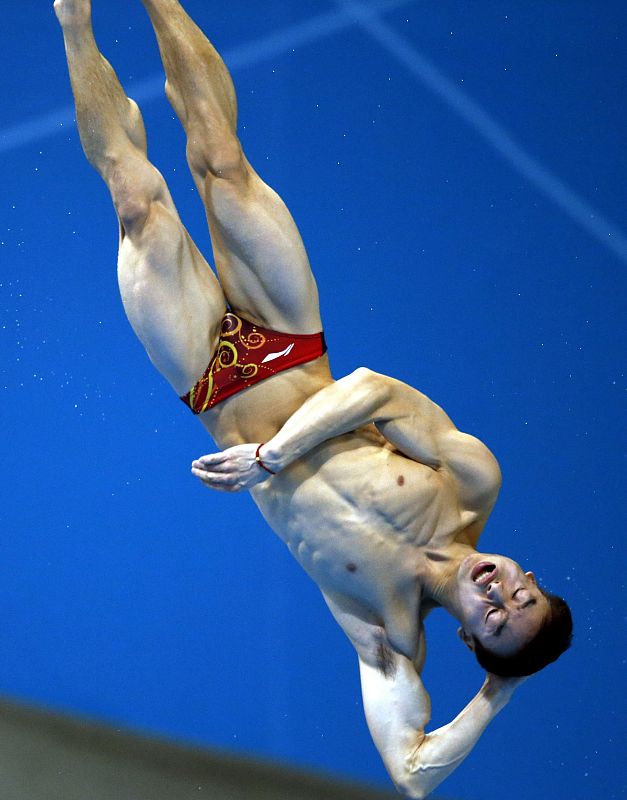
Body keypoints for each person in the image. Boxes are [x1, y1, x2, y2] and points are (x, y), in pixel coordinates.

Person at [55, 0, 573, 796]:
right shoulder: (470, 485)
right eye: (522, 589)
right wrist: (273, 456)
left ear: (473, 644)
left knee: (134, 201)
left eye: (500, 621)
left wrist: (500, 695)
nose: (501, 593)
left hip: (207, 378)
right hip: (288, 337)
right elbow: (371, 390)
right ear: (524, 569)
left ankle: (73, 20)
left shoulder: (383, 631)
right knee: (220, 157)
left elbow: (411, 777)